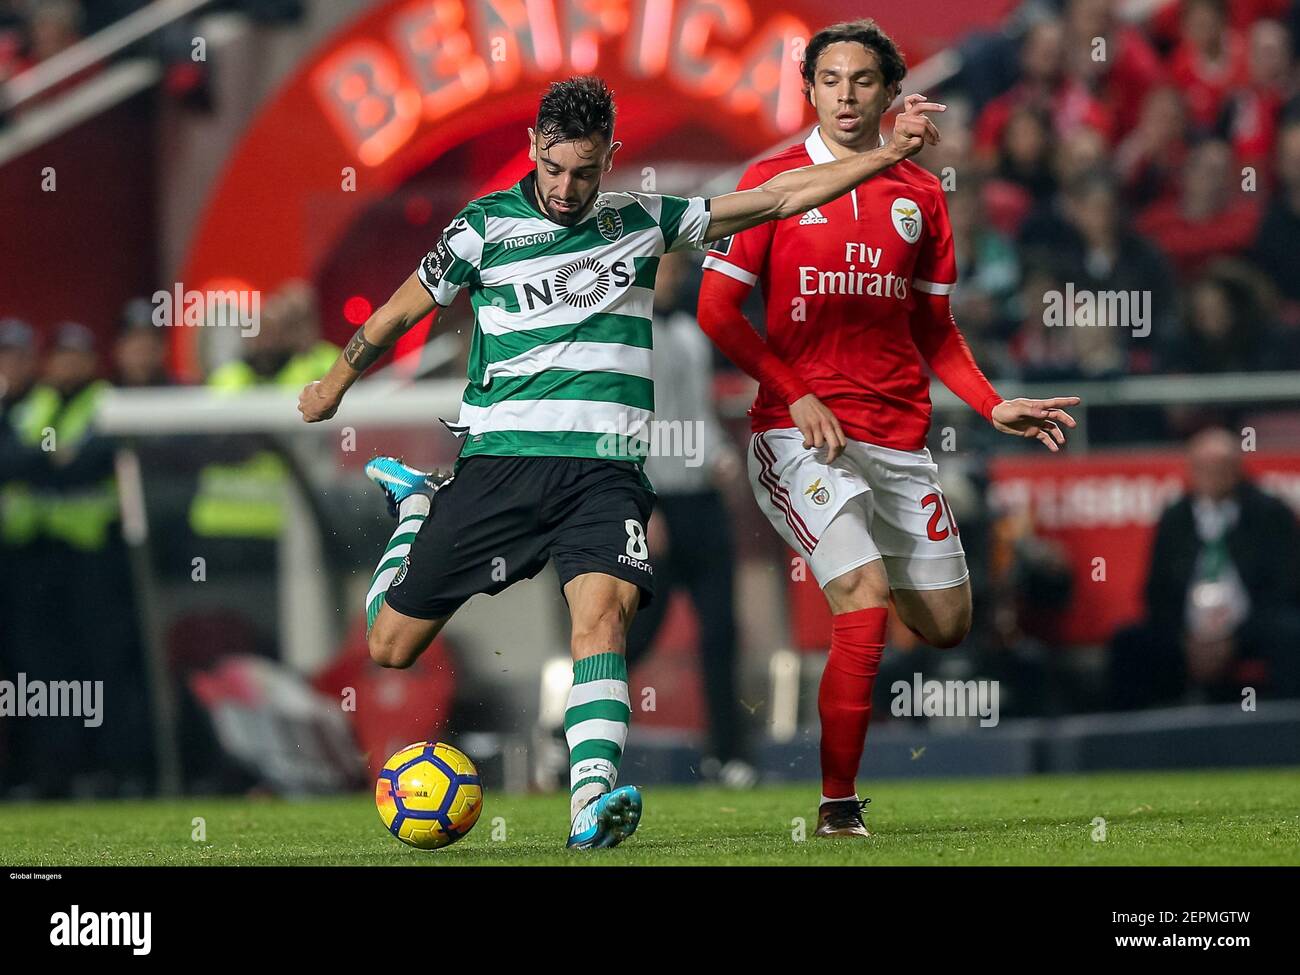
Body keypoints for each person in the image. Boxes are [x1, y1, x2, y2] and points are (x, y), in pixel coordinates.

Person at [297, 75, 943, 850]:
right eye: (554, 167)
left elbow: (776, 199)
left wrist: (880, 154)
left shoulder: (641, 221)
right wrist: (335, 383)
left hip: (604, 473)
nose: (567, 187)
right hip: (499, 463)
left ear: (612, 157)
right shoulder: (481, 228)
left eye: (586, 170)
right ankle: (416, 510)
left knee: (601, 620)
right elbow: (405, 307)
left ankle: (589, 805)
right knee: (390, 646)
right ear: (535, 147)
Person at [696, 20, 1079, 838]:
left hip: (897, 441)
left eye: (862, 81)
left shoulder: (921, 195)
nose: (844, 95)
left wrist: (990, 402)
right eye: (829, 79)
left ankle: (869, 602)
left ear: (889, 93)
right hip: (796, 434)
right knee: (863, 599)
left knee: (945, 627)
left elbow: (937, 331)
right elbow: (716, 312)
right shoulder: (771, 182)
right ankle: (838, 807)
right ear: (808, 89)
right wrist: (795, 393)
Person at [624, 250, 752, 785]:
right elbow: (623, 427)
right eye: (670, 268)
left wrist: (721, 455)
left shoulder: (692, 334)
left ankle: (727, 754)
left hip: (700, 500)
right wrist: (640, 506)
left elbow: (694, 415)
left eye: (680, 268)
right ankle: (568, 738)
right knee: (633, 635)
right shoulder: (622, 338)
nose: (678, 278)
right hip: (655, 504)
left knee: (722, 631)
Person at [1110, 428, 1300, 707]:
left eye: (1221, 467)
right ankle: (1131, 743)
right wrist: (1187, 639)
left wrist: (1234, 638)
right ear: (1190, 470)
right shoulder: (1175, 518)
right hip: (1186, 633)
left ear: (1238, 469)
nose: (1212, 475)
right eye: (1203, 467)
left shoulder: (1270, 514)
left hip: (1253, 628)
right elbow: (1156, 592)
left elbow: (1286, 590)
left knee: (1291, 633)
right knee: (1129, 642)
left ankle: (1286, 732)